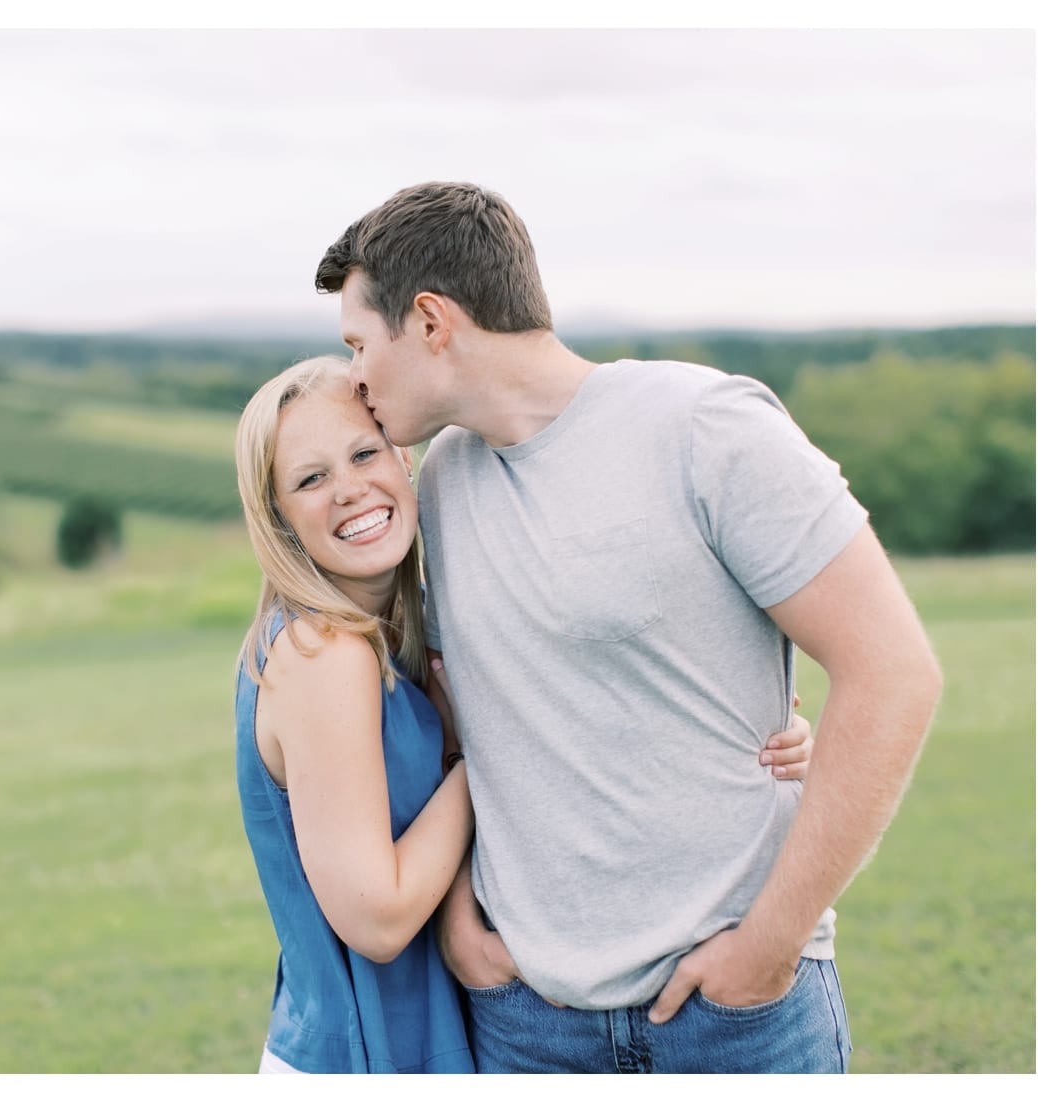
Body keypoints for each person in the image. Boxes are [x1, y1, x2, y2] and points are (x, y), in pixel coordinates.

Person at [313, 182, 944, 1074]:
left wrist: (769, 947)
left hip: (734, 1017)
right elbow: (463, 710)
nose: (352, 376)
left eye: (358, 343)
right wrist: (461, 924)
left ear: (428, 321)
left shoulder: (706, 428)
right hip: (528, 1023)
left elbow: (895, 673)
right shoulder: (443, 483)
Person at [231, 354, 819, 1074]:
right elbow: (376, 919)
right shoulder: (325, 654)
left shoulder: (376, 643)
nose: (351, 490)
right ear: (279, 519)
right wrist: (510, 736)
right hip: (358, 1056)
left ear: (402, 460)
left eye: (363, 453)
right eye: (310, 479)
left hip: (405, 1040)